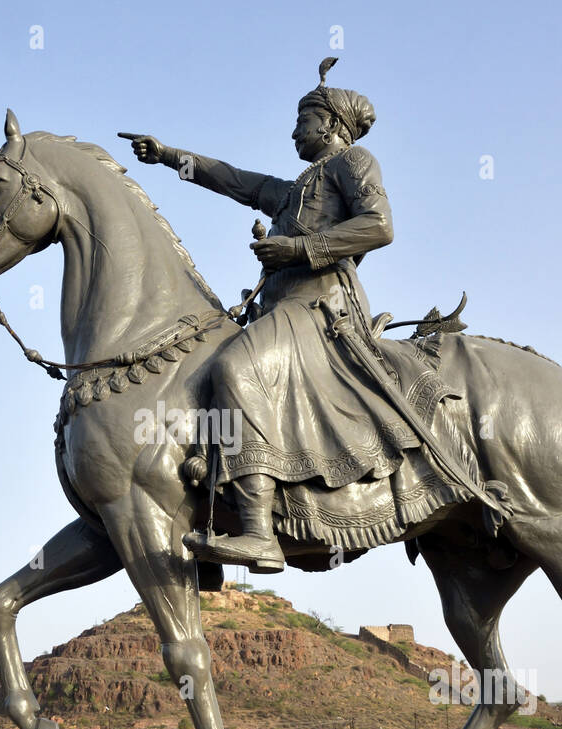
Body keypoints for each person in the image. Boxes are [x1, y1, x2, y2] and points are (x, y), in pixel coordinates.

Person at [126, 60, 439, 573]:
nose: (295, 129)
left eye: (304, 119)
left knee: (235, 370)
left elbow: (379, 226)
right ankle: (203, 515)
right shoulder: (295, 188)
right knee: (202, 371)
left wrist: (297, 247)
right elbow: (234, 180)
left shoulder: (354, 162)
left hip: (321, 310)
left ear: (332, 125)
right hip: (281, 307)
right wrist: (167, 156)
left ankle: (258, 532)